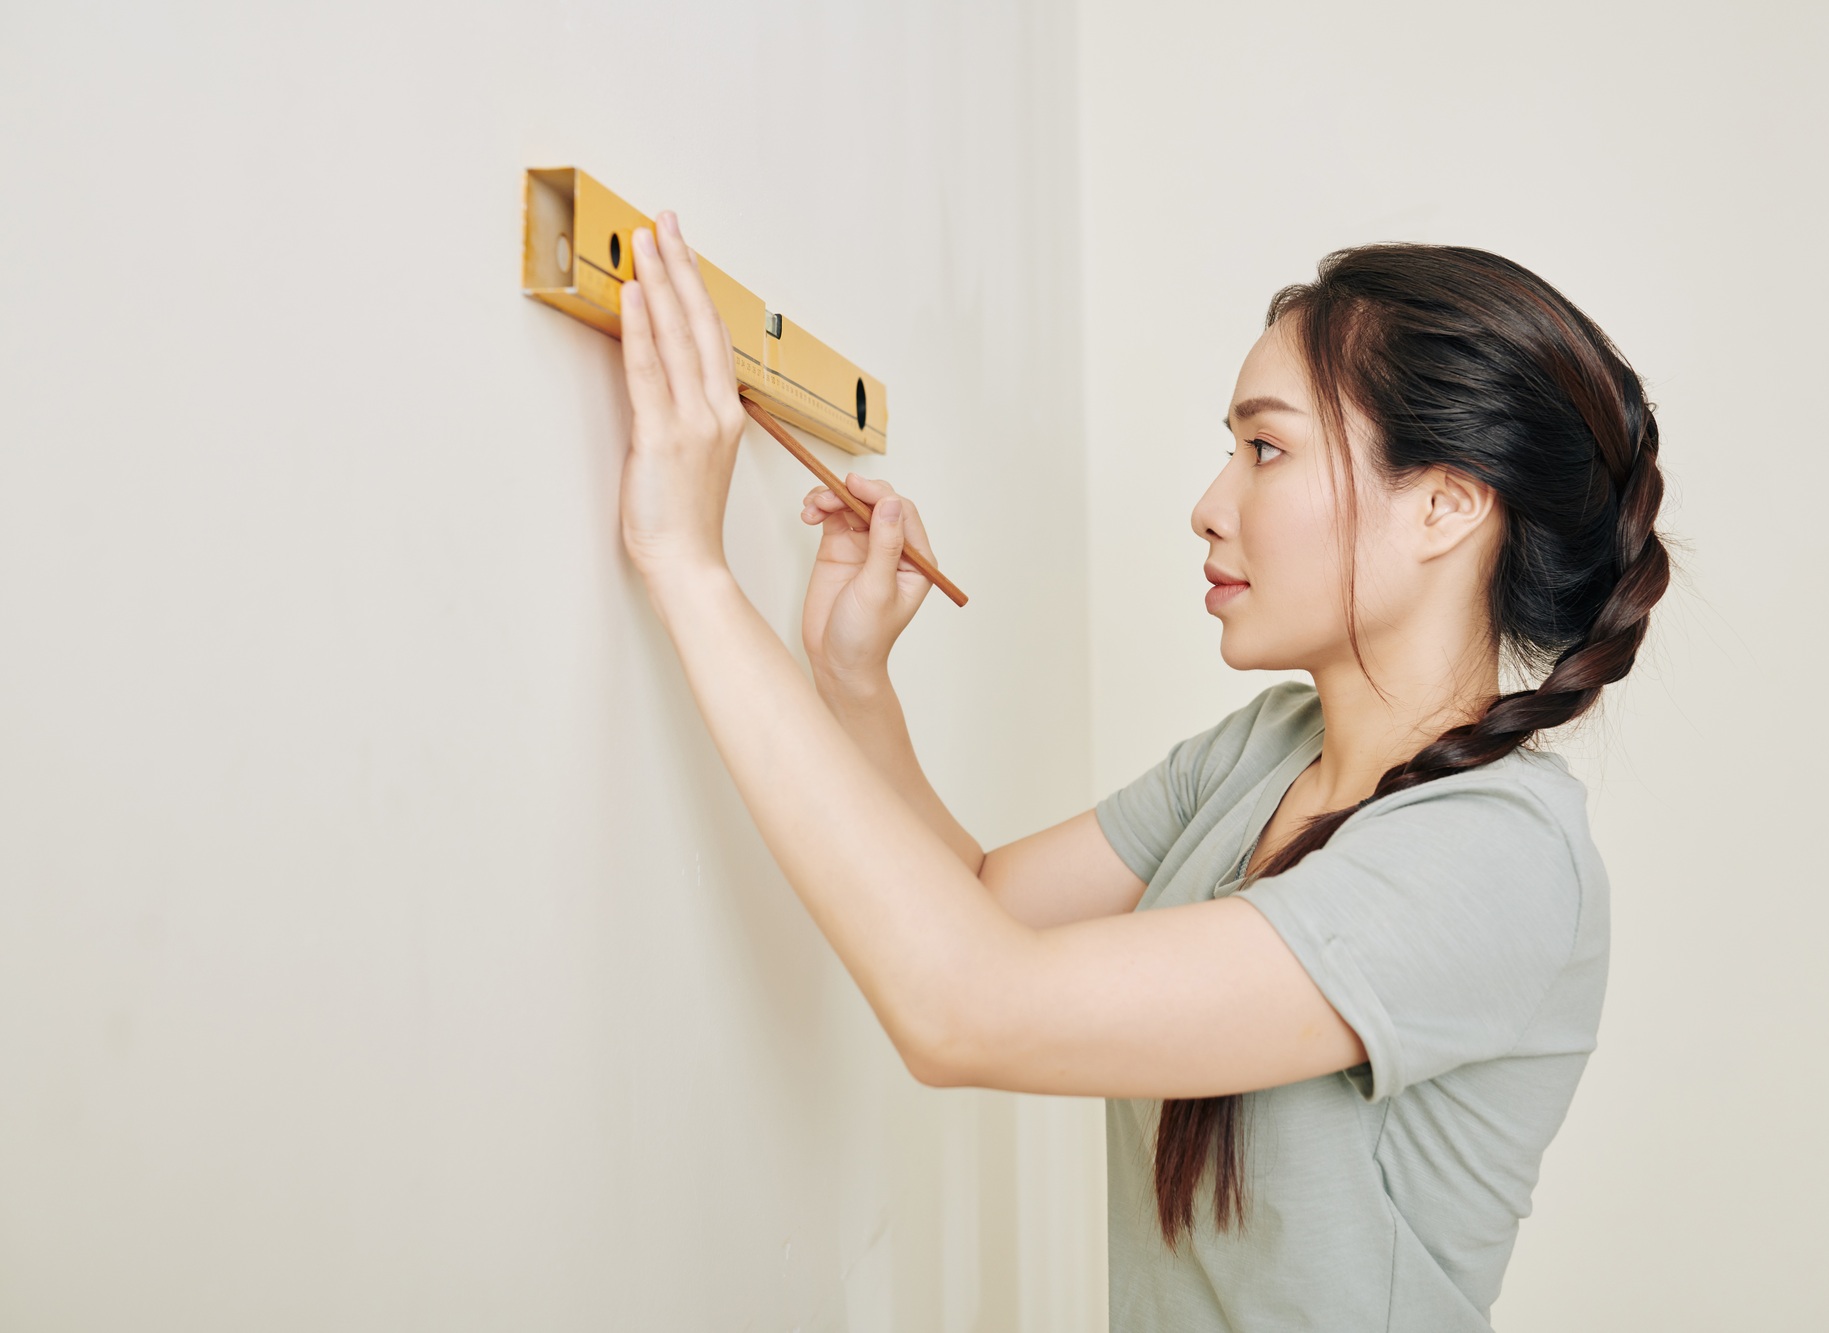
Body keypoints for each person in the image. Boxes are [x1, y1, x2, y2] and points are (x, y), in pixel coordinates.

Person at [614, 212, 1671, 1331]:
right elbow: (975, 911)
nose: (1209, 505)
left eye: (1264, 450)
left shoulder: (1490, 854)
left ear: (1444, 505)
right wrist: (850, 678)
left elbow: (964, 1008)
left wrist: (688, 567)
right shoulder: (1266, 745)